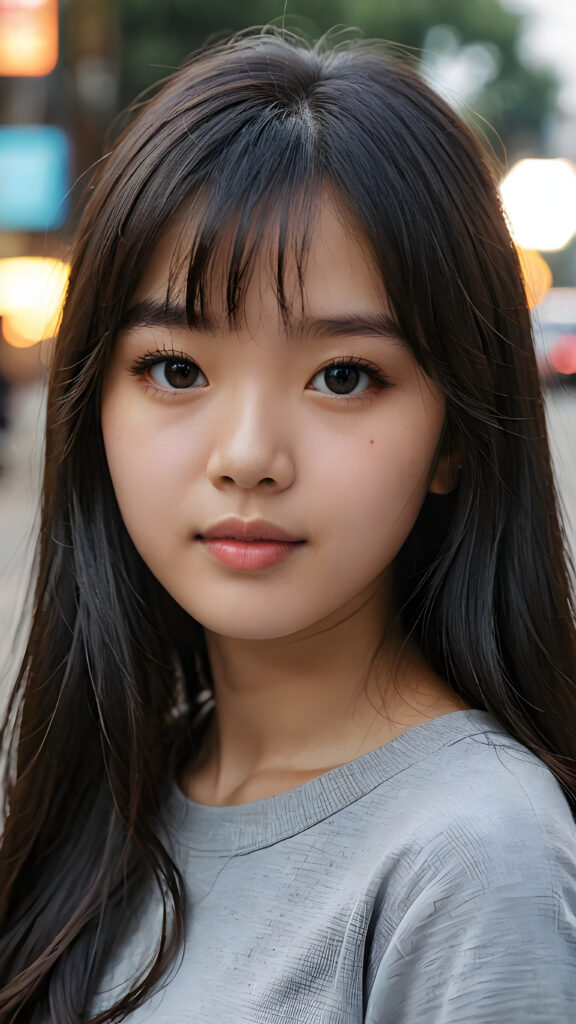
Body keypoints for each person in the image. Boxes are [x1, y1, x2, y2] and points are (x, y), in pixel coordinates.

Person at [1, 27, 576, 1024]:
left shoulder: (473, 857)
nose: (249, 454)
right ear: (94, 407)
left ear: (454, 435)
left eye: (343, 376)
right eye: (176, 369)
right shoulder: (117, 786)